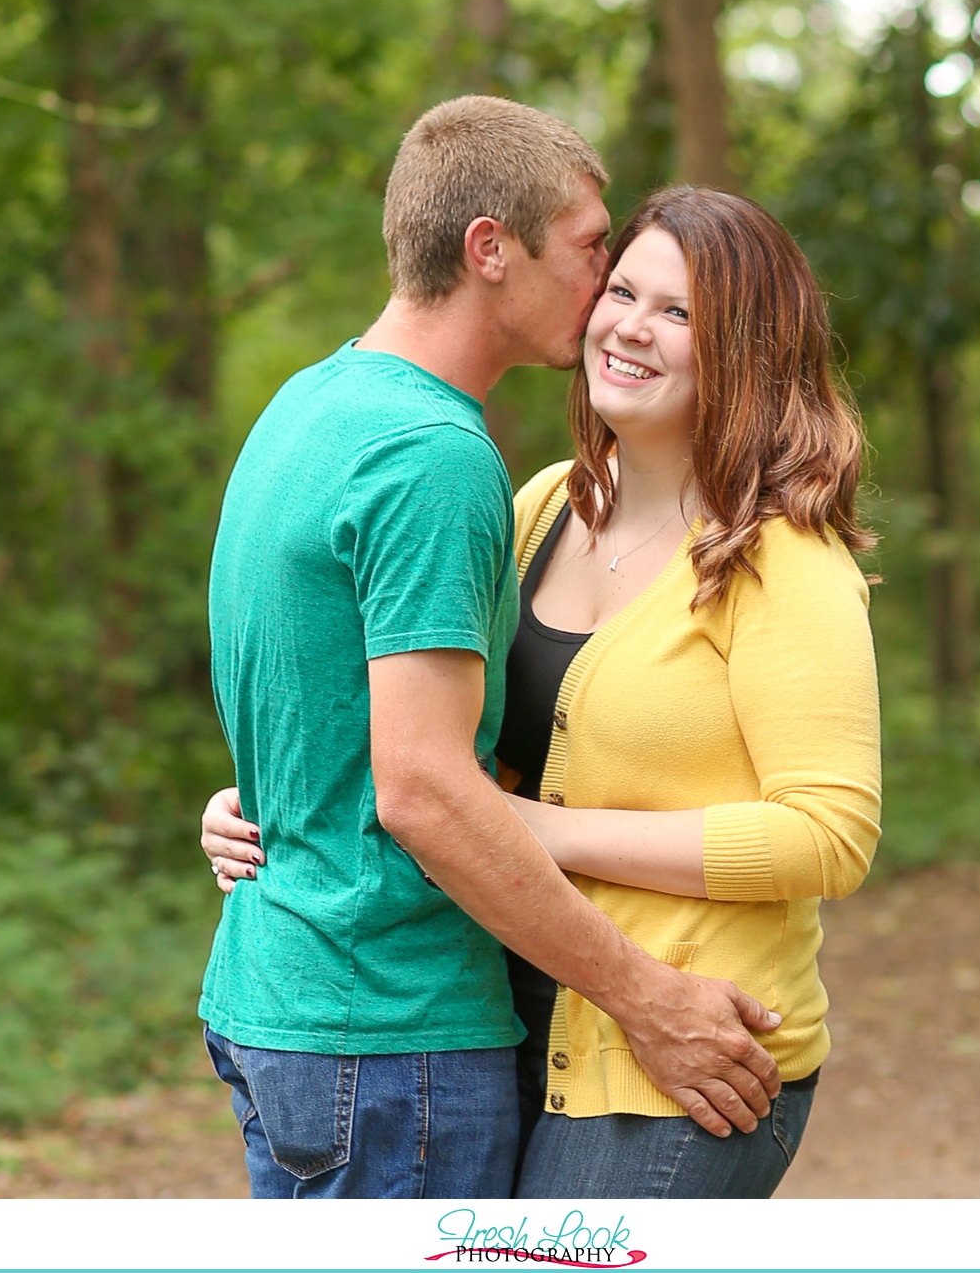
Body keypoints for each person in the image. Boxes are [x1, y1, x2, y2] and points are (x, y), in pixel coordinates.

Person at [206, 180, 882, 1200]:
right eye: (622, 292)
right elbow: (438, 742)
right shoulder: (543, 509)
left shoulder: (783, 560)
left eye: (680, 312)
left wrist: (531, 829)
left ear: (746, 347)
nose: (631, 329)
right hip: (514, 1012)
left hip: (685, 1059)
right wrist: (277, 807)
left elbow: (829, 834)